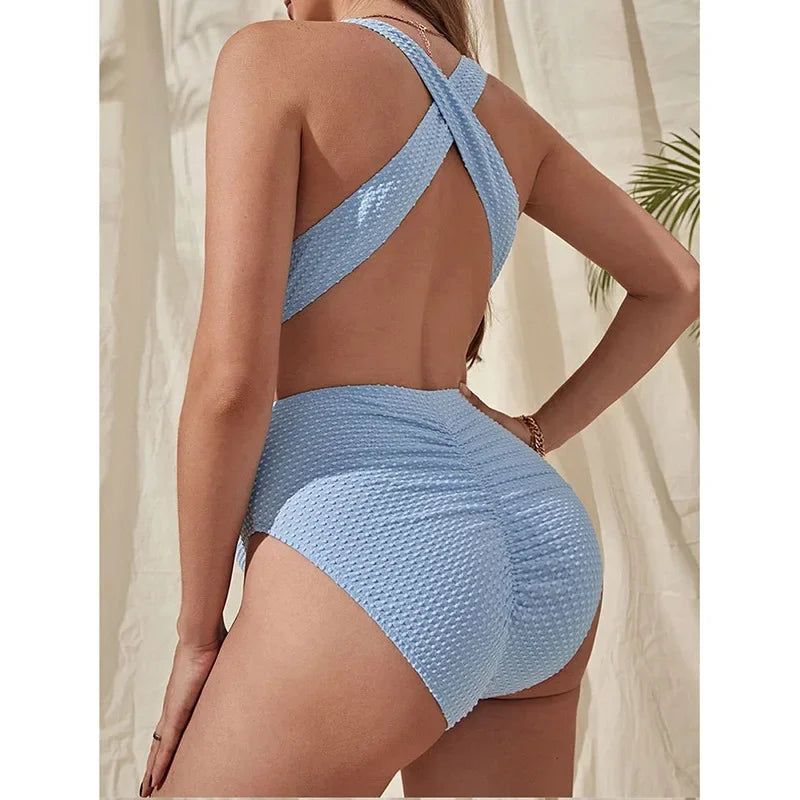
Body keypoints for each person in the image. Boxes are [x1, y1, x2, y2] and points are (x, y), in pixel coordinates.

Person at [139, 0, 699, 796]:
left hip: (374, 546)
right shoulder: (504, 114)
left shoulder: (275, 61)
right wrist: (535, 434)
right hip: (543, 547)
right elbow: (676, 282)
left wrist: (197, 636)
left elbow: (231, 386)